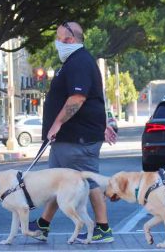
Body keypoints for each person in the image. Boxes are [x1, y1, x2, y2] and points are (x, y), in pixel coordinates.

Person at [28, 21, 118, 243]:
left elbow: (78, 98)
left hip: (78, 138)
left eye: (59, 38)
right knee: (60, 182)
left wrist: (57, 123)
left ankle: (103, 228)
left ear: (70, 39)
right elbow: (95, 98)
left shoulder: (79, 62)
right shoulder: (72, 62)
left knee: (88, 181)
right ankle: (43, 224)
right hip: (68, 138)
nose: (57, 43)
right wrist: (102, 123)